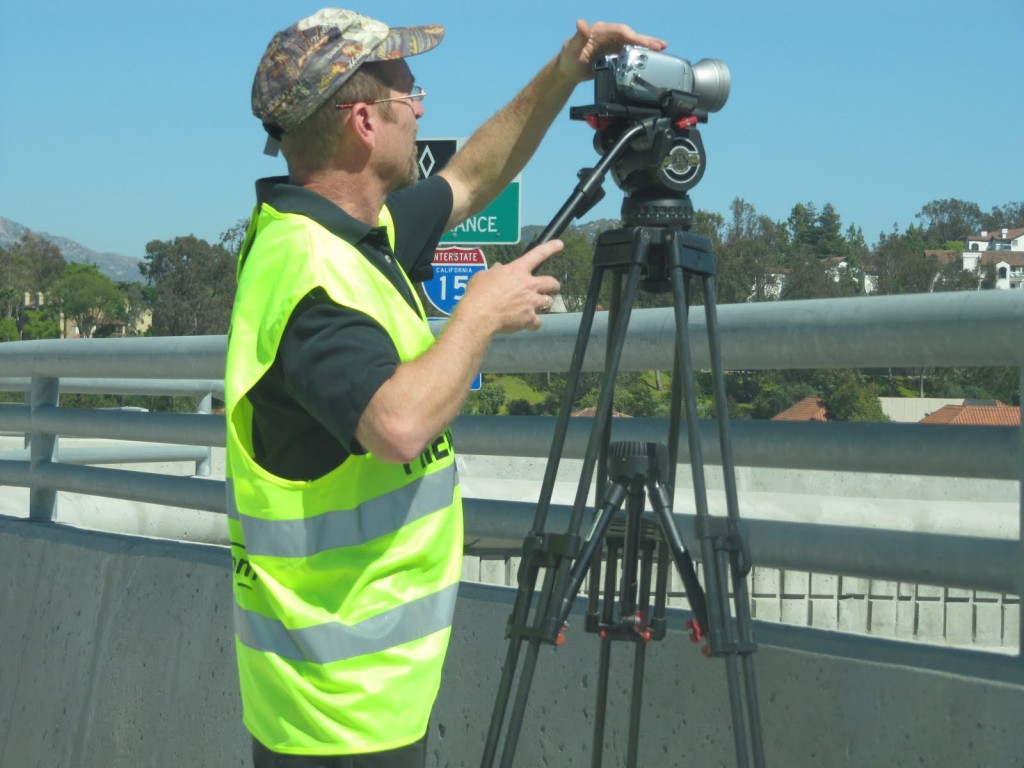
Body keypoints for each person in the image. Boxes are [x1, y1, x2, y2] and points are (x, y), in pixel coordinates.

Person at [224, 8, 668, 767]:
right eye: (408, 91)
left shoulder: (355, 235)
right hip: (339, 712)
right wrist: (478, 317)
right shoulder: (309, 277)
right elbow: (397, 426)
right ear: (365, 121)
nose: (421, 106)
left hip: (363, 690)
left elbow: (473, 174)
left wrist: (568, 66)